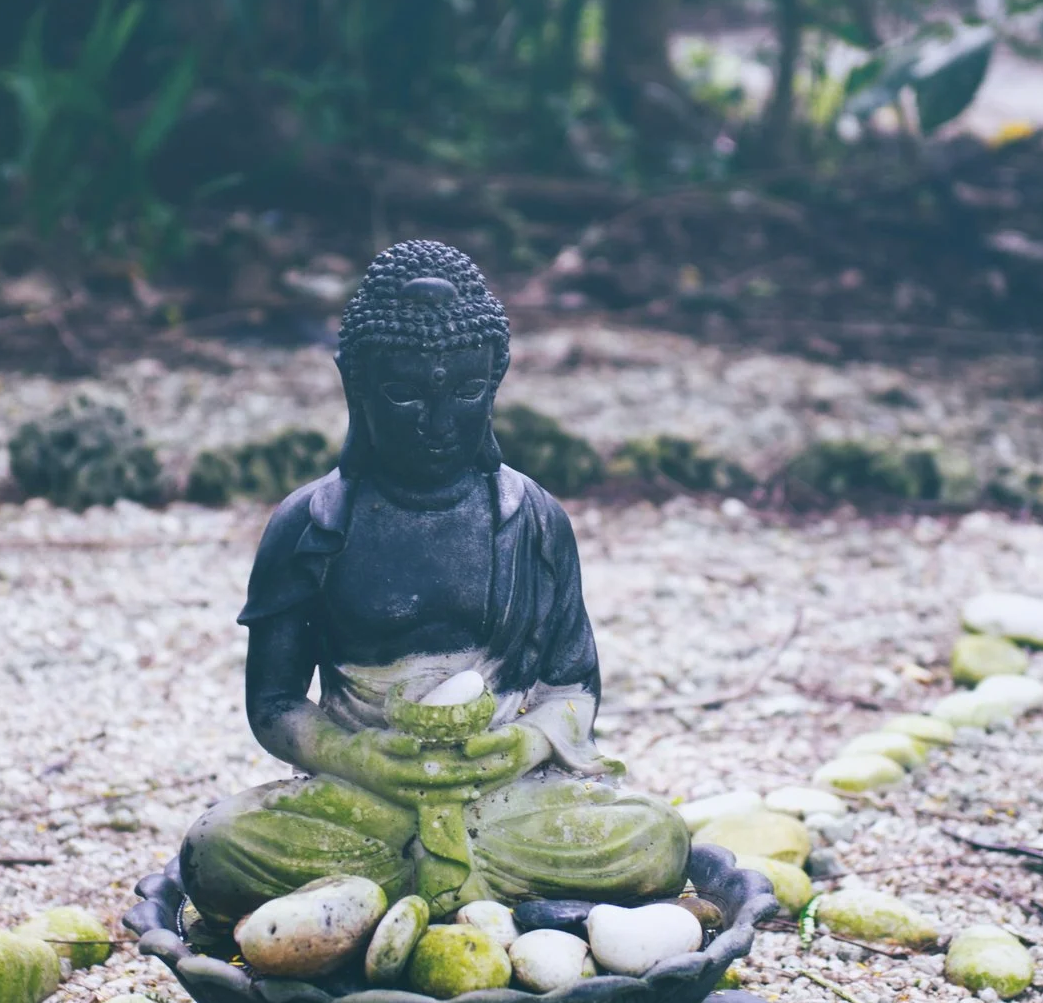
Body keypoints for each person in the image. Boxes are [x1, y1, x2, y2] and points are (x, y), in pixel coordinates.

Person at [180, 239, 691, 926]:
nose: (438, 421)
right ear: (354, 384)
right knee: (218, 850)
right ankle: (496, 900)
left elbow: (573, 688)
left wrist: (526, 743)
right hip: (368, 796)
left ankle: (384, 900)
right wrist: (354, 754)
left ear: (497, 379)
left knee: (656, 838)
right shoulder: (311, 524)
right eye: (403, 393)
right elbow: (273, 704)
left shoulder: (532, 520)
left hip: (505, 792)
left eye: (466, 390)